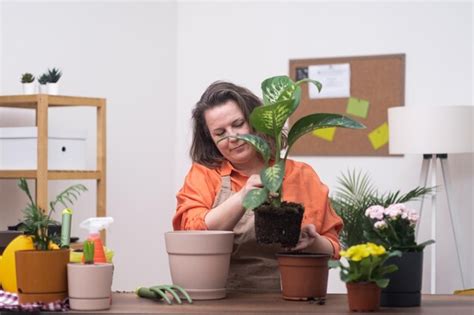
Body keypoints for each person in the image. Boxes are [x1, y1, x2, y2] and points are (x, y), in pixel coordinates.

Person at [173, 81, 343, 291]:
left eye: (237, 124)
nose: (233, 137)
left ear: (255, 122)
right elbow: (191, 235)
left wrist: (313, 242)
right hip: (227, 299)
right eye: (220, 133)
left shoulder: (300, 174)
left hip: (297, 296)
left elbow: (333, 247)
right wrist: (242, 197)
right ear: (210, 139)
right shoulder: (205, 175)